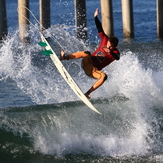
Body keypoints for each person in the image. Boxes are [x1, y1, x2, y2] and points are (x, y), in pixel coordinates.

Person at [60, 8, 120, 99]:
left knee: (104, 76)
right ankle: (65, 57)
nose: (107, 47)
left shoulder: (115, 52)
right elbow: (100, 28)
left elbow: (117, 57)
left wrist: (111, 52)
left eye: (110, 46)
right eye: (107, 45)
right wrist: (95, 17)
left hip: (93, 72)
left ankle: (87, 93)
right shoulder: (105, 39)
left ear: (114, 46)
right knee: (87, 53)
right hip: (87, 63)